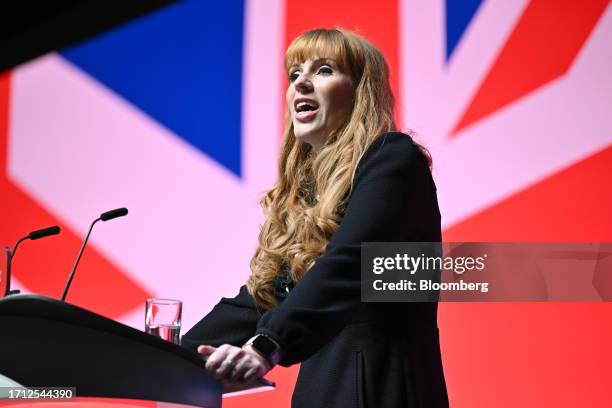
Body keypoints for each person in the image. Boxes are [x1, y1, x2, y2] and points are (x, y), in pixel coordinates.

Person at [181, 28, 449, 407]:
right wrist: (163, 356)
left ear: (360, 91)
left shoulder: (393, 158)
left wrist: (267, 344)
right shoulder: (310, 192)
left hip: (379, 390)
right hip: (322, 391)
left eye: (323, 70)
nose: (301, 83)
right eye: (294, 75)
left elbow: (350, 261)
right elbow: (267, 296)